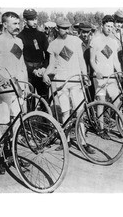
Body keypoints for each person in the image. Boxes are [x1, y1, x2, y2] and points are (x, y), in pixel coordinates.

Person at [42, 17, 95, 154]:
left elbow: (81, 60)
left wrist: (84, 75)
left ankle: (83, 142)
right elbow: (51, 64)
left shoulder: (76, 41)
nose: (65, 30)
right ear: (57, 28)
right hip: (61, 82)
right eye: (62, 28)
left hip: (76, 81)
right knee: (65, 112)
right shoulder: (53, 44)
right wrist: (46, 74)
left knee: (80, 112)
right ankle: (66, 141)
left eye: (67, 28)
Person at [0, 11, 29, 174]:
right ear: (5, 24)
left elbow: (22, 65)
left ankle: (13, 154)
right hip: (5, 90)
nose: (17, 26)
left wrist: (26, 86)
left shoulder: (19, 41)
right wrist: (2, 78)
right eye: (14, 23)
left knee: (17, 124)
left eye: (18, 23)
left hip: (18, 89)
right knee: (3, 126)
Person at [89, 15, 123, 139]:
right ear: (102, 25)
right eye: (107, 26)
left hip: (111, 77)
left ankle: (121, 128)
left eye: (111, 26)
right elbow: (92, 60)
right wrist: (97, 71)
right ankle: (101, 129)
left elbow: (116, 61)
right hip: (100, 77)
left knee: (118, 101)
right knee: (101, 103)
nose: (109, 29)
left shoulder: (113, 41)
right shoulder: (95, 40)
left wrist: (119, 72)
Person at [17, 9, 50, 101]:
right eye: (31, 19)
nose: (35, 22)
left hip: (41, 72)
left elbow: (48, 54)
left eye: (36, 19)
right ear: (25, 20)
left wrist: (44, 67)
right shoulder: (19, 37)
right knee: (29, 101)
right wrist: (32, 70)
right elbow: (20, 59)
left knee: (44, 100)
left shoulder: (41, 35)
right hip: (28, 74)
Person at [78, 22, 95, 101]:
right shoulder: (77, 42)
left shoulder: (92, 42)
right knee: (81, 96)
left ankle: (91, 111)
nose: (85, 34)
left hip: (91, 72)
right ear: (80, 31)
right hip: (81, 73)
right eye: (84, 32)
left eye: (87, 32)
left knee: (91, 94)